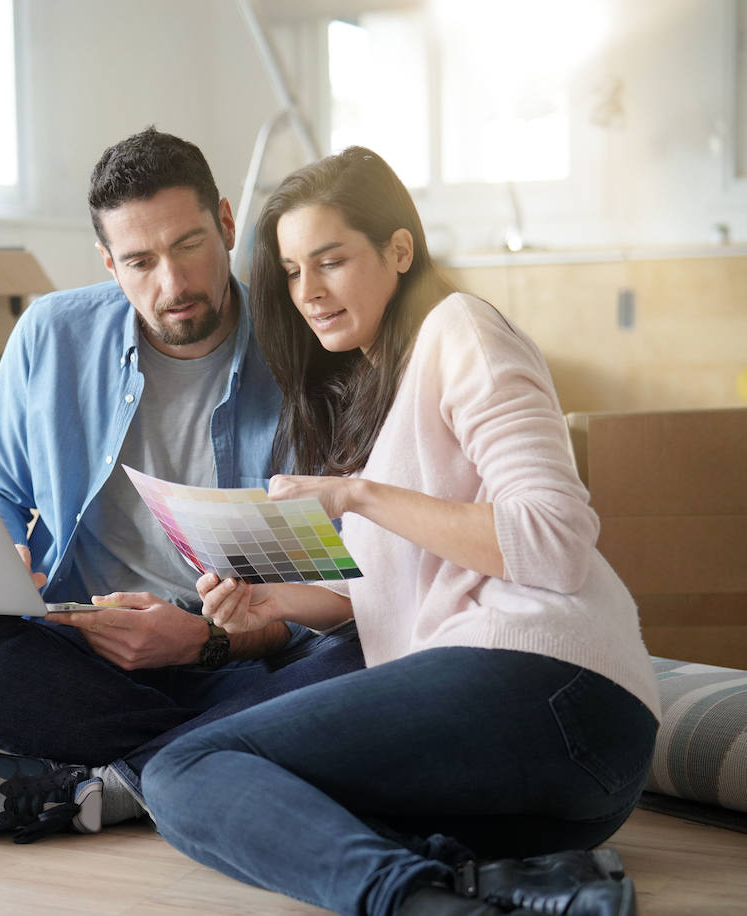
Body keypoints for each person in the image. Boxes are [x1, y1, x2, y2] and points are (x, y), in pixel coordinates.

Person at [140, 146, 660, 916]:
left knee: (186, 769)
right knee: (280, 811)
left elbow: (553, 539)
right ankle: (507, 888)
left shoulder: (461, 329)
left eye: (331, 261)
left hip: (553, 685)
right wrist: (275, 603)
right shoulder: (374, 392)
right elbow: (389, 590)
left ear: (399, 249)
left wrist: (357, 494)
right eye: (290, 271)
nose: (308, 292)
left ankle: (421, 905)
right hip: (565, 797)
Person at [0, 127, 366, 843]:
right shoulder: (52, 335)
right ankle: (209, 759)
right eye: (141, 261)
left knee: (367, 654)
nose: (172, 285)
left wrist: (202, 641)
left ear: (227, 223)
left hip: (241, 658)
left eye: (188, 246)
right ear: (108, 262)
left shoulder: (309, 352)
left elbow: (336, 589)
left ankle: (113, 783)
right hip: (85, 652)